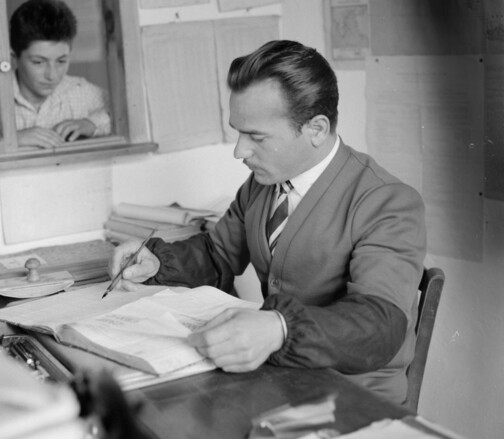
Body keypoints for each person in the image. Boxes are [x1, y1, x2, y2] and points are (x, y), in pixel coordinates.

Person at [110, 40, 426, 404]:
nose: (239, 151)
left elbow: (379, 325)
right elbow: (218, 254)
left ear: (317, 129)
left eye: (256, 137)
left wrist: (280, 328)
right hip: (276, 378)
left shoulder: (388, 201)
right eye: (238, 132)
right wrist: (156, 260)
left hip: (353, 397)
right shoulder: (264, 184)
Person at [9, 0, 111, 148]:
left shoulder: (80, 90)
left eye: (61, 61)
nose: (52, 75)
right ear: (14, 58)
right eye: (38, 62)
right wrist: (11, 140)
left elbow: (126, 111)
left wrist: (91, 124)